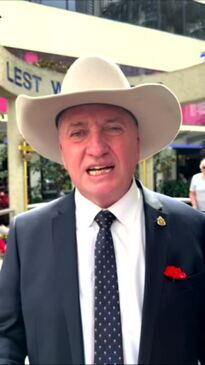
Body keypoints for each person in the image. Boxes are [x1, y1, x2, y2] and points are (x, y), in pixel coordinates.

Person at [0, 55, 205, 365]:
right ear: (62, 150)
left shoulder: (192, 229)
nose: (96, 148)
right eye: (78, 133)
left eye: (113, 128)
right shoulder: (27, 235)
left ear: (137, 141)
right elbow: (7, 339)